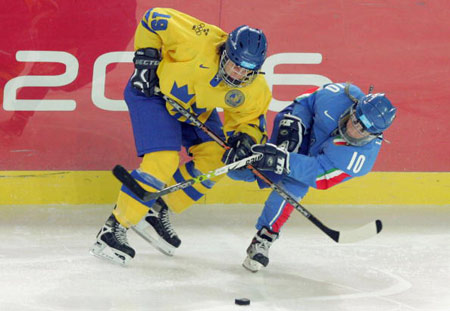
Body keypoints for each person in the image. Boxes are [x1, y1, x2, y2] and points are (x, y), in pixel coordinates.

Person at [90, 7, 272, 265]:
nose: (238, 75)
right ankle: (113, 229)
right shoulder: (198, 39)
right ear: (225, 52)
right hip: (153, 94)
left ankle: (154, 210)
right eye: (234, 65)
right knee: (162, 162)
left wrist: (245, 139)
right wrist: (146, 61)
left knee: (217, 158)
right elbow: (152, 18)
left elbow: (250, 120)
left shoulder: (254, 88)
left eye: (247, 71)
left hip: (194, 109)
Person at [226, 82, 397, 272]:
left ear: (375, 134)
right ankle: (240, 155)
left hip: (314, 162)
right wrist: (297, 121)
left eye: (363, 130)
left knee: (290, 189)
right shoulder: (338, 95)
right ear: (354, 107)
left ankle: (265, 237)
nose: (354, 130)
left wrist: (285, 162)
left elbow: (320, 175)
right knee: (242, 169)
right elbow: (307, 101)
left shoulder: (359, 159)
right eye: (356, 120)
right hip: (302, 132)